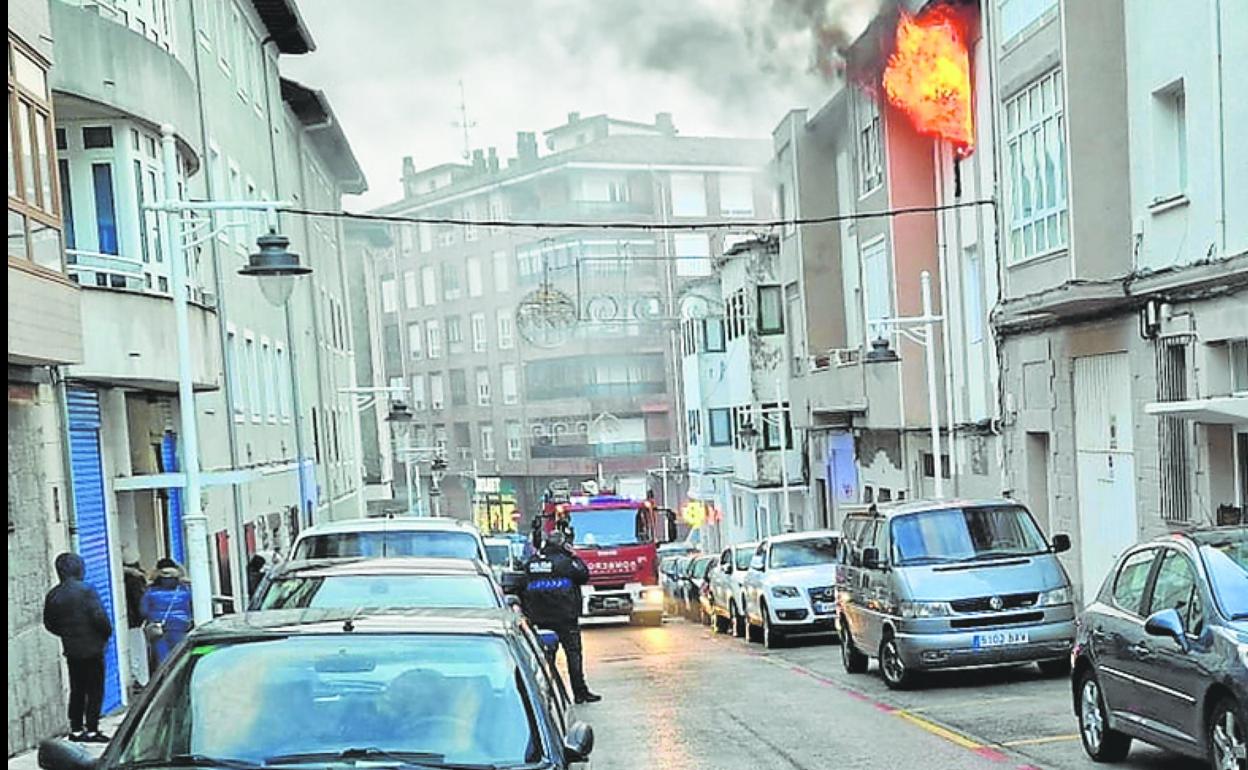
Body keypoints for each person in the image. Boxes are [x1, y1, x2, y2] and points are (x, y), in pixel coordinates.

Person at [519, 530, 601, 704]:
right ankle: (580, 692)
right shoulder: (566, 562)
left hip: (540, 618)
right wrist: (574, 555)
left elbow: (522, 584)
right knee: (573, 655)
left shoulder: (533, 563)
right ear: (562, 544)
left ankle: (545, 694)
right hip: (565, 617)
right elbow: (583, 575)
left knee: (545, 658)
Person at [42, 552, 113, 743]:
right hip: (93, 647)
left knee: (77, 688)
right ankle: (92, 728)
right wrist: (105, 634)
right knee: (95, 689)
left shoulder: (54, 595)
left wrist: (67, 634)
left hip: (72, 648)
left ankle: (75, 728)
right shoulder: (87, 590)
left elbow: (49, 623)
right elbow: (100, 618)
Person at [140, 558, 193, 666]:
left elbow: (143, 611)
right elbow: (191, 608)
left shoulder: (150, 592)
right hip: (180, 627)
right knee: (180, 657)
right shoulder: (184, 591)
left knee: (163, 659)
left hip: (159, 629)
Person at [121, 548, 150, 692]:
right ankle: (142, 680)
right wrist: (143, 617)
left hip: (128, 621)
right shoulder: (135, 580)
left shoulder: (122, 578)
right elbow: (139, 601)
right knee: (138, 650)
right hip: (134, 622)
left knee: (133, 651)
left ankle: (138, 679)